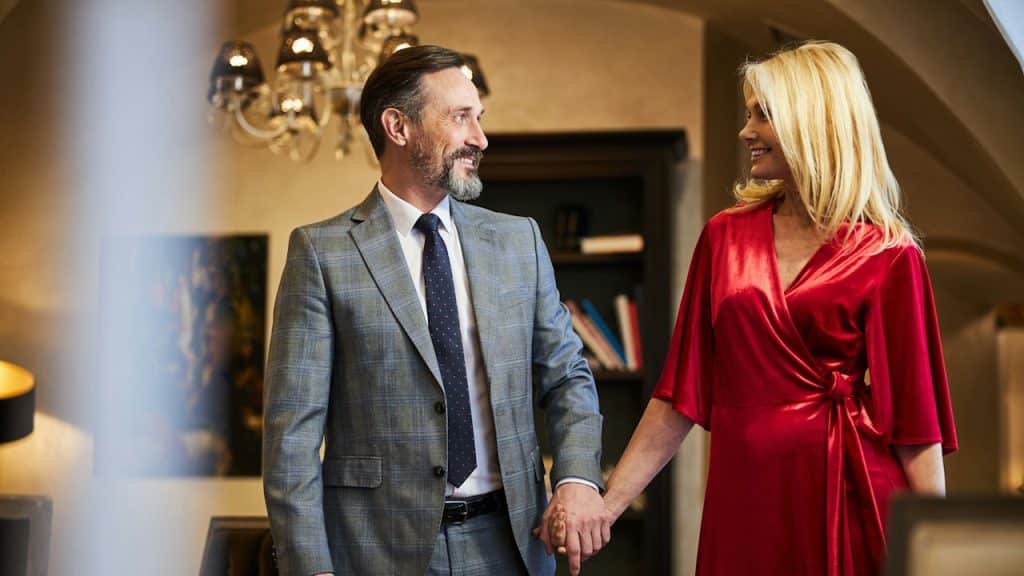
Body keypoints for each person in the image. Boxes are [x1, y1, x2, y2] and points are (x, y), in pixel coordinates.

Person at [544, 41, 959, 575]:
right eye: (747, 113)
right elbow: (679, 395)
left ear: (814, 123)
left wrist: (938, 554)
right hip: (745, 499)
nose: (746, 131)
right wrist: (608, 506)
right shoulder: (724, 237)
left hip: (853, 495)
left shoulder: (889, 254)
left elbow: (915, 425)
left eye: (763, 114)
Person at [262, 45, 608, 576]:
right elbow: (292, 438)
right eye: (460, 118)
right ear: (398, 127)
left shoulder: (518, 241)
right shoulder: (321, 253)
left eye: (479, 118)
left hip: (512, 545)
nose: (480, 138)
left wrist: (578, 479)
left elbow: (568, 377)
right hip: (374, 551)